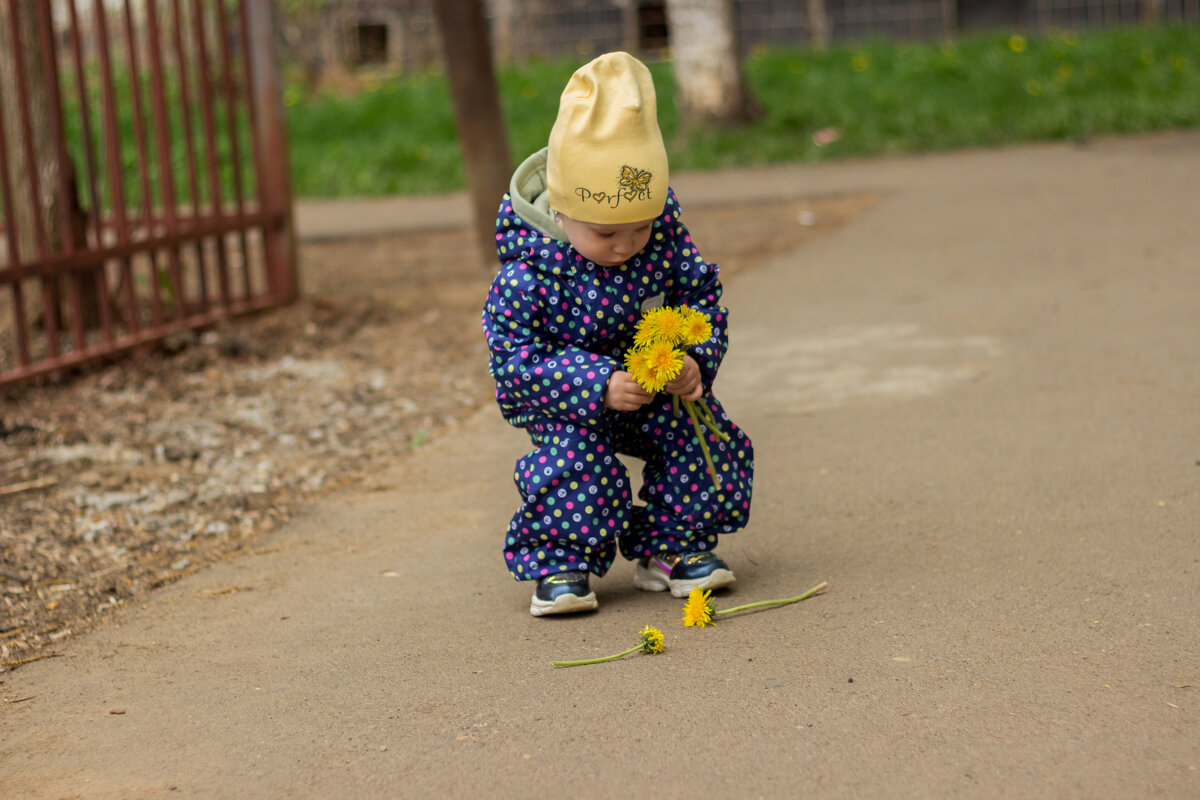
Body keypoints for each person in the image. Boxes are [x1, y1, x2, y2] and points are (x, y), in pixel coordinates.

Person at [481, 51, 753, 617]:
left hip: (652, 381)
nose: (627, 244)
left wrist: (694, 358)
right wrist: (598, 383)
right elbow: (514, 359)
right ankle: (561, 560)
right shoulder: (527, 274)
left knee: (701, 437)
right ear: (560, 212)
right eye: (607, 232)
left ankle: (671, 547)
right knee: (576, 462)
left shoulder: (662, 242)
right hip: (567, 395)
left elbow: (698, 293)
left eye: (641, 227)